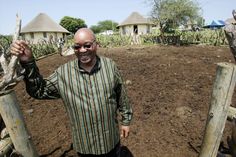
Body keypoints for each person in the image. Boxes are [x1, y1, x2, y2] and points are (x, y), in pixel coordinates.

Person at [10, 28, 133, 157]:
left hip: (110, 140)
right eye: (77, 47)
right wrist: (27, 61)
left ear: (96, 44)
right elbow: (39, 91)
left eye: (87, 45)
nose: (82, 50)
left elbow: (121, 95)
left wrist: (126, 121)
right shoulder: (64, 74)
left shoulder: (110, 67)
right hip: (86, 145)